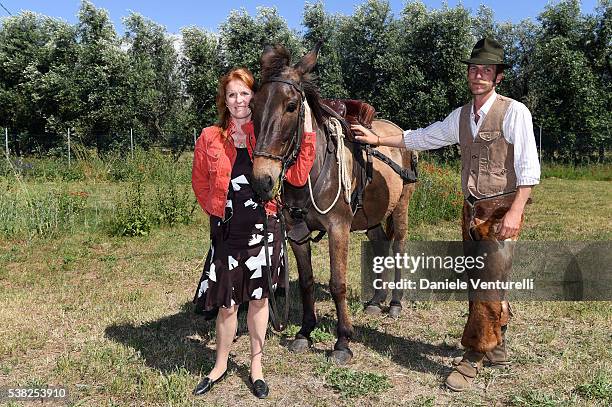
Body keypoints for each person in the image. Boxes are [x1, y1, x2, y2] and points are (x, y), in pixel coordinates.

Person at [352, 38, 540, 391]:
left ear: (498, 76)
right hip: (471, 211)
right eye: (474, 69)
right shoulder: (462, 116)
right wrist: (379, 142)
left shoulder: (514, 112)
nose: (478, 75)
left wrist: (515, 211)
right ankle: (497, 344)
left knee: (486, 282)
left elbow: (529, 169)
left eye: (487, 70)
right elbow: (425, 137)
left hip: (500, 211)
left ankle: (473, 356)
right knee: (481, 280)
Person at [191, 67, 316, 399]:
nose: (238, 100)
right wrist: (219, 212)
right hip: (229, 231)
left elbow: (300, 174)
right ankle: (219, 365)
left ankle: (256, 368)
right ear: (225, 100)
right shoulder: (209, 137)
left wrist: (308, 132)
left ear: (255, 98)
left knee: (259, 301)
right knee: (228, 305)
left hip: (265, 227)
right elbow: (200, 182)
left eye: (244, 93)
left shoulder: (268, 135)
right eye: (232, 94)